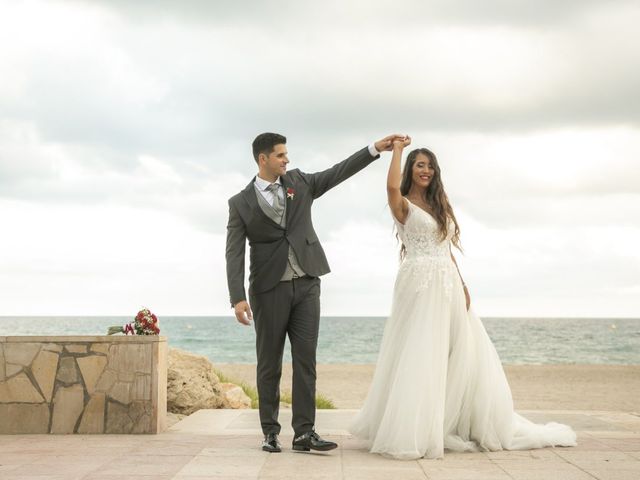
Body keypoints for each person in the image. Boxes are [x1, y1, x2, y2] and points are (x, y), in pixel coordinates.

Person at [349, 135, 577, 460]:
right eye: (419, 165)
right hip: (419, 284)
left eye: (430, 165)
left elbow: (445, 248)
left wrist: (463, 284)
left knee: (460, 352)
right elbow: (389, 189)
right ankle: (415, 427)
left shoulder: (438, 204)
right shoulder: (403, 204)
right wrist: (397, 151)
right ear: (410, 169)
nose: (425, 170)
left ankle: (454, 421)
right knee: (420, 354)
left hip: (449, 284)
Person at [226, 132, 402, 453]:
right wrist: (237, 296)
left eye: (287, 154)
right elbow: (234, 252)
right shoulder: (240, 203)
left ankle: (304, 432)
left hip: (308, 284)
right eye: (280, 155)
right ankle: (270, 432)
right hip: (268, 291)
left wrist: (374, 149)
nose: (287, 160)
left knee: (305, 361)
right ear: (263, 159)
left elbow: (338, 171)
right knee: (269, 364)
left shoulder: (300, 183)